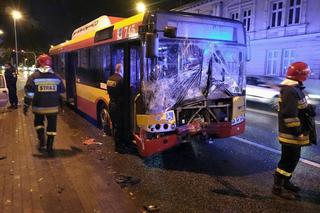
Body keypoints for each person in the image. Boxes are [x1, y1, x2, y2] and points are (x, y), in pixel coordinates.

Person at [272, 61, 312, 199]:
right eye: (307, 74)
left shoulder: (295, 88)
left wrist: (308, 109)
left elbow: (298, 108)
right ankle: (277, 187)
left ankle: (286, 182)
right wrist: (298, 131)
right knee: (287, 160)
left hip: (293, 134)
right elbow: (289, 115)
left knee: (293, 159)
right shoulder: (291, 90)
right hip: (291, 135)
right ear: (302, 75)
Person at [23, 54, 65, 156]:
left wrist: (26, 106)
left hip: (38, 108)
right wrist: (62, 106)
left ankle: (42, 140)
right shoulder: (57, 77)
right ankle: (50, 147)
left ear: (39, 63)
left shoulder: (33, 77)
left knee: (38, 123)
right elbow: (61, 93)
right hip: (53, 109)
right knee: (52, 127)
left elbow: (29, 94)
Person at [107, 63, 124, 151]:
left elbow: (109, 91)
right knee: (119, 126)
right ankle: (118, 147)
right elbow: (124, 93)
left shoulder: (110, 79)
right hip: (118, 106)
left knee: (114, 125)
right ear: (121, 70)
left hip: (111, 104)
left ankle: (116, 143)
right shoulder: (121, 80)